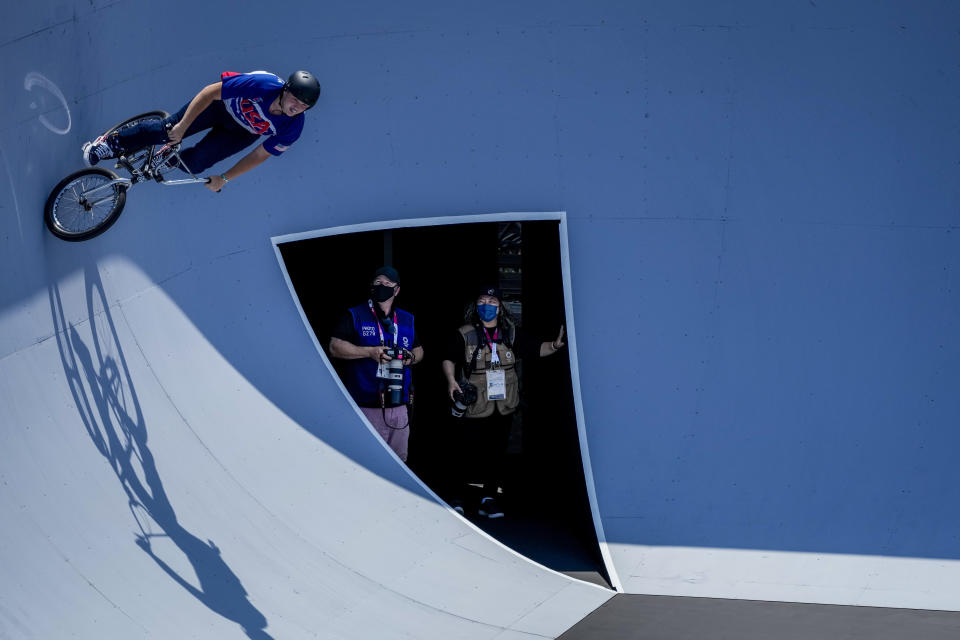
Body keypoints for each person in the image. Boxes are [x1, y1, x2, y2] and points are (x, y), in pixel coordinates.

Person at [81, 70, 321, 192]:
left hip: (241, 133)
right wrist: (182, 126)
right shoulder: (263, 84)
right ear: (285, 90)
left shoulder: (294, 126)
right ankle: (110, 143)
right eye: (296, 100)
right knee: (169, 130)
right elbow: (209, 92)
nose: (297, 108)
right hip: (218, 107)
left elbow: (260, 154)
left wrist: (224, 178)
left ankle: (169, 157)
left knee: (195, 165)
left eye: (304, 106)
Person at [441, 286, 565, 518]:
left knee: (495, 453)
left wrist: (555, 346)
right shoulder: (465, 333)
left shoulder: (511, 333)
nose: (486, 305)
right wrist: (450, 381)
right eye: (482, 301)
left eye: (491, 301)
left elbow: (537, 349)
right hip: (474, 405)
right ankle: (456, 497)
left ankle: (488, 498)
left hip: (503, 405)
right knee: (464, 452)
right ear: (475, 306)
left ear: (500, 307)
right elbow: (448, 358)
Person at [329, 267, 424, 462]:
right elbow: (335, 347)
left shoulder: (407, 318)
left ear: (396, 290)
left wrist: (410, 358)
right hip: (365, 405)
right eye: (378, 282)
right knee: (366, 462)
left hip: (399, 406)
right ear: (372, 287)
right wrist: (369, 352)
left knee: (399, 462)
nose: (382, 287)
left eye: (388, 284)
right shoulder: (355, 314)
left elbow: (419, 350)